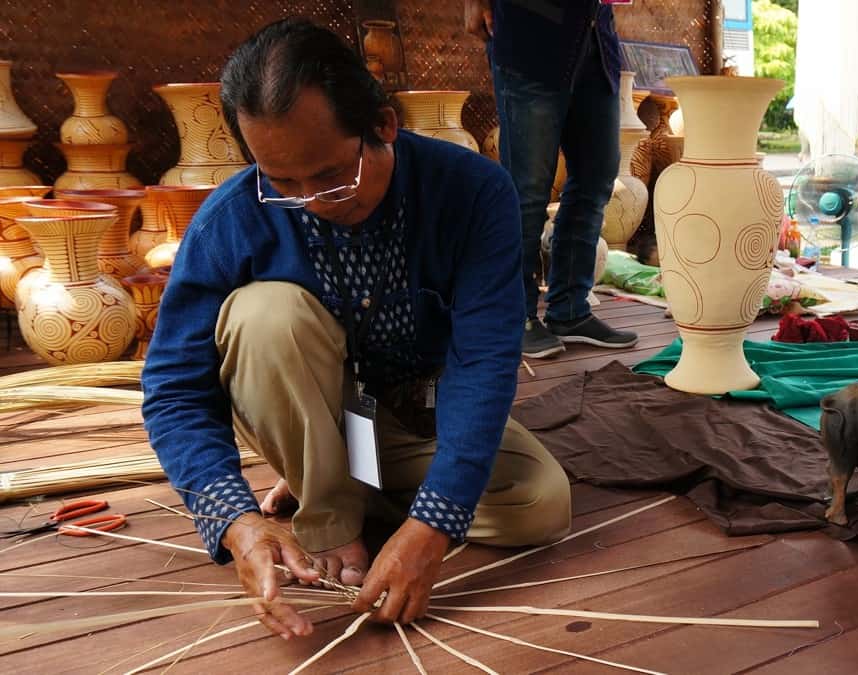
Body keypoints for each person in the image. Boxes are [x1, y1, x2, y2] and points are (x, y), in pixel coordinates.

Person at [141, 19, 571, 639]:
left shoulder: (472, 192)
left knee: (539, 506)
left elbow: (484, 360)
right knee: (265, 316)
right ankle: (333, 506)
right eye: (282, 184)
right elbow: (175, 389)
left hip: (409, 414)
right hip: (299, 397)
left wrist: (429, 529)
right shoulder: (232, 219)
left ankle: (339, 475)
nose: (312, 200)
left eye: (331, 176)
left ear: (383, 127)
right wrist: (233, 520)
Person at [464, 0, 638, 358]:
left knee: (598, 175)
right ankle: (517, 317)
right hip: (530, 31)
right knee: (527, 189)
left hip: (595, 35)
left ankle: (570, 310)